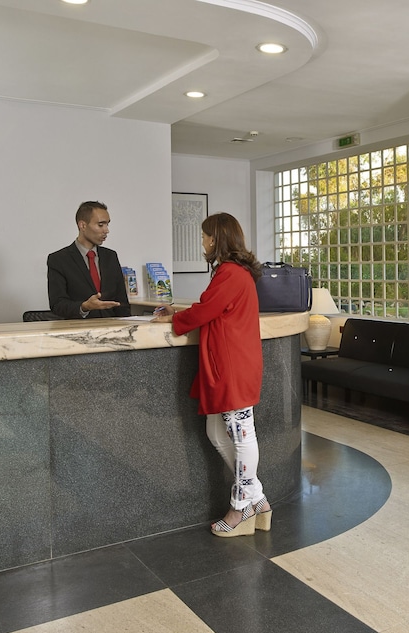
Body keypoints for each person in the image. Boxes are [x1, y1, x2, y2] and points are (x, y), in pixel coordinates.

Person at [152, 212, 272, 537]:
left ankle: (241, 507)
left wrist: (173, 319)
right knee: (217, 433)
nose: (203, 242)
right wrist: (178, 313)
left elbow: (206, 310)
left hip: (233, 368)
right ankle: (258, 499)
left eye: (205, 236)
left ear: (216, 239)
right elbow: (212, 307)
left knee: (242, 436)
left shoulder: (230, 273)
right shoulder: (233, 272)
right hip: (230, 365)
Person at [47, 201, 131, 319]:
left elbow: (122, 302)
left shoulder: (111, 256)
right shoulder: (59, 259)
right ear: (82, 225)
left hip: (112, 326)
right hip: (79, 327)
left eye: (107, 225)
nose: (106, 230)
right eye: (101, 225)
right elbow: (57, 305)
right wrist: (84, 307)